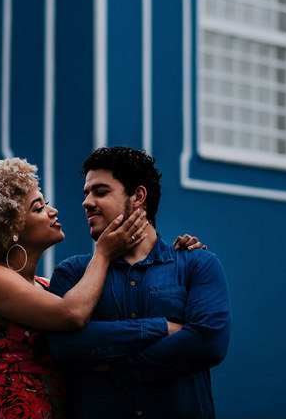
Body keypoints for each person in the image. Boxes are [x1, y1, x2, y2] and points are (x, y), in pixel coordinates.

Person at [0, 157, 203, 419]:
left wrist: (176, 261)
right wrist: (103, 253)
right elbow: (72, 314)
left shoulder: (46, 286)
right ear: (11, 228)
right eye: (38, 208)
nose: (52, 211)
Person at [47, 147, 232, 419]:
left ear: (138, 197)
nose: (86, 202)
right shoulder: (71, 273)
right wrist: (162, 328)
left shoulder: (197, 264)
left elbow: (208, 343)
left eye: (100, 192)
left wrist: (117, 367)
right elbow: (66, 346)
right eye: (86, 193)